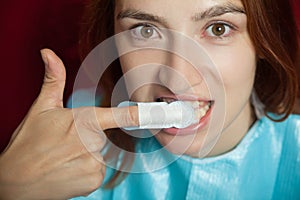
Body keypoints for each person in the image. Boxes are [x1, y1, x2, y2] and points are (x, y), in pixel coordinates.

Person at [0, 0, 299, 200]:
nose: (176, 77)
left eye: (218, 28)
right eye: (145, 30)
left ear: (264, 38)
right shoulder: (74, 146)